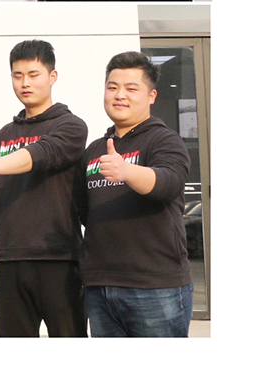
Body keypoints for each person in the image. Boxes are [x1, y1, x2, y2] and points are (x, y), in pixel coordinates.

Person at [0, 40, 88, 337]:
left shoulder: (71, 126)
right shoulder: (6, 133)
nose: (25, 83)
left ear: (52, 77)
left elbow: (43, 152)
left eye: (33, 74)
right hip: (11, 259)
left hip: (60, 259)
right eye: (17, 76)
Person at [76, 51, 193, 337]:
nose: (119, 95)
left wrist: (127, 171)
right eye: (112, 87)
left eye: (131, 88)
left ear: (151, 96)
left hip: (155, 287)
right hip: (100, 286)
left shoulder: (164, 140)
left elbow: (170, 182)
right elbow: (83, 209)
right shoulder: (94, 149)